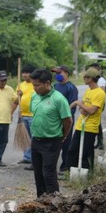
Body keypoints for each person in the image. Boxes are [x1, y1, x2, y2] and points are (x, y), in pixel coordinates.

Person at [28, 68, 73, 197]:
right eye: (33, 85)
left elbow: (68, 121)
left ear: (47, 83)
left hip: (52, 141)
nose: (35, 88)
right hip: (36, 140)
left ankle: (54, 202)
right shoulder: (34, 97)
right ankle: (41, 200)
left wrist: (63, 136)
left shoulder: (59, 99)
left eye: (37, 85)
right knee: (38, 173)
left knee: (48, 173)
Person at [66, 68, 106, 174]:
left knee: (86, 153)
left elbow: (92, 110)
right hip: (81, 125)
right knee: (72, 150)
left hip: (90, 127)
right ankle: (70, 172)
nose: (84, 78)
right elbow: (84, 107)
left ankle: (87, 174)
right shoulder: (89, 90)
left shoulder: (100, 93)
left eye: (86, 77)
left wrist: (78, 103)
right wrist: (82, 107)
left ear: (91, 79)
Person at [51, 65, 78, 174]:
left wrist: (65, 120)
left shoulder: (71, 88)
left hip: (65, 120)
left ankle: (65, 167)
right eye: (56, 73)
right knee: (53, 144)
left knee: (66, 144)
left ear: (66, 73)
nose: (57, 75)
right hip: (54, 120)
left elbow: (72, 107)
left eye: (59, 73)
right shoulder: (55, 86)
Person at [17, 64, 36, 169]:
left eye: (27, 73)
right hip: (23, 114)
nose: (24, 75)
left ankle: (35, 158)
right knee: (25, 137)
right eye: (23, 72)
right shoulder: (21, 85)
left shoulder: (35, 84)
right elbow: (16, 101)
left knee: (34, 138)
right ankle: (27, 157)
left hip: (33, 115)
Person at [88, 62, 106, 150]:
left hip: (98, 103)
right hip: (93, 102)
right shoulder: (95, 79)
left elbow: (101, 92)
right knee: (97, 122)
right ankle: (99, 142)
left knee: (97, 122)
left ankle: (100, 142)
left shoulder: (101, 80)